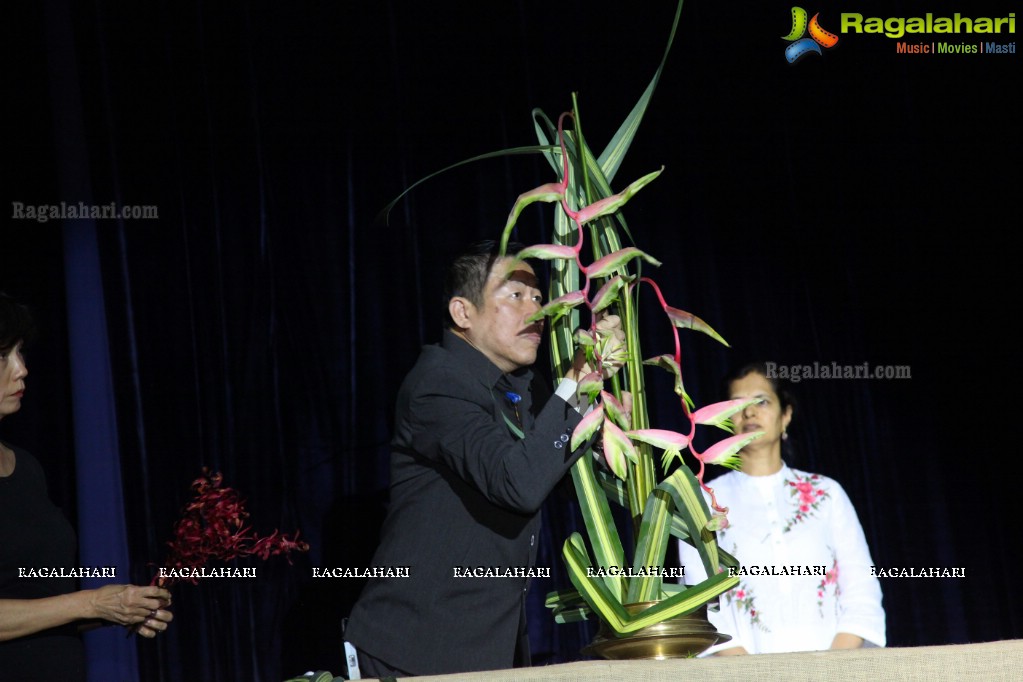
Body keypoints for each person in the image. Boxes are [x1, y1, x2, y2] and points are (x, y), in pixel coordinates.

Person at [344, 241, 624, 677]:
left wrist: (610, 410)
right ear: (463, 313)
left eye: (538, 298)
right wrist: (574, 383)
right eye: (515, 295)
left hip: (481, 650)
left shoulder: (520, 390)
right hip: (414, 649)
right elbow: (520, 484)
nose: (535, 311)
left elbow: (565, 472)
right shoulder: (437, 384)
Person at [0, 293, 174, 680]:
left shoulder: (26, 469)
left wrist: (121, 607)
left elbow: (41, 607)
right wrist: (92, 602)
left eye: (21, 353)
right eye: (3, 356)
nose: (22, 369)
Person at [679, 361, 885, 655]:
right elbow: (700, 602)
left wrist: (830, 670)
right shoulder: (701, 500)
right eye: (737, 404)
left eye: (761, 402)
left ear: (785, 415)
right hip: (740, 675)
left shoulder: (827, 494)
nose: (749, 412)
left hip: (837, 670)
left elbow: (861, 590)